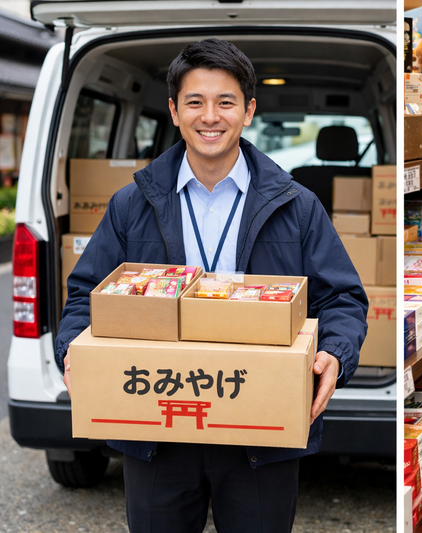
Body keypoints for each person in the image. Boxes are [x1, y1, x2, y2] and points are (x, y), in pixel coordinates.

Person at [56, 38, 368, 533]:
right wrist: (73, 350)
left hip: (261, 431)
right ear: (174, 111)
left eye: (225, 102)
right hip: (154, 422)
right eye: (195, 102)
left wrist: (335, 351)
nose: (210, 117)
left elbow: (343, 298)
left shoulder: (297, 204)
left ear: (248, 111)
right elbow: (83, 297)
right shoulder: (130, 203)